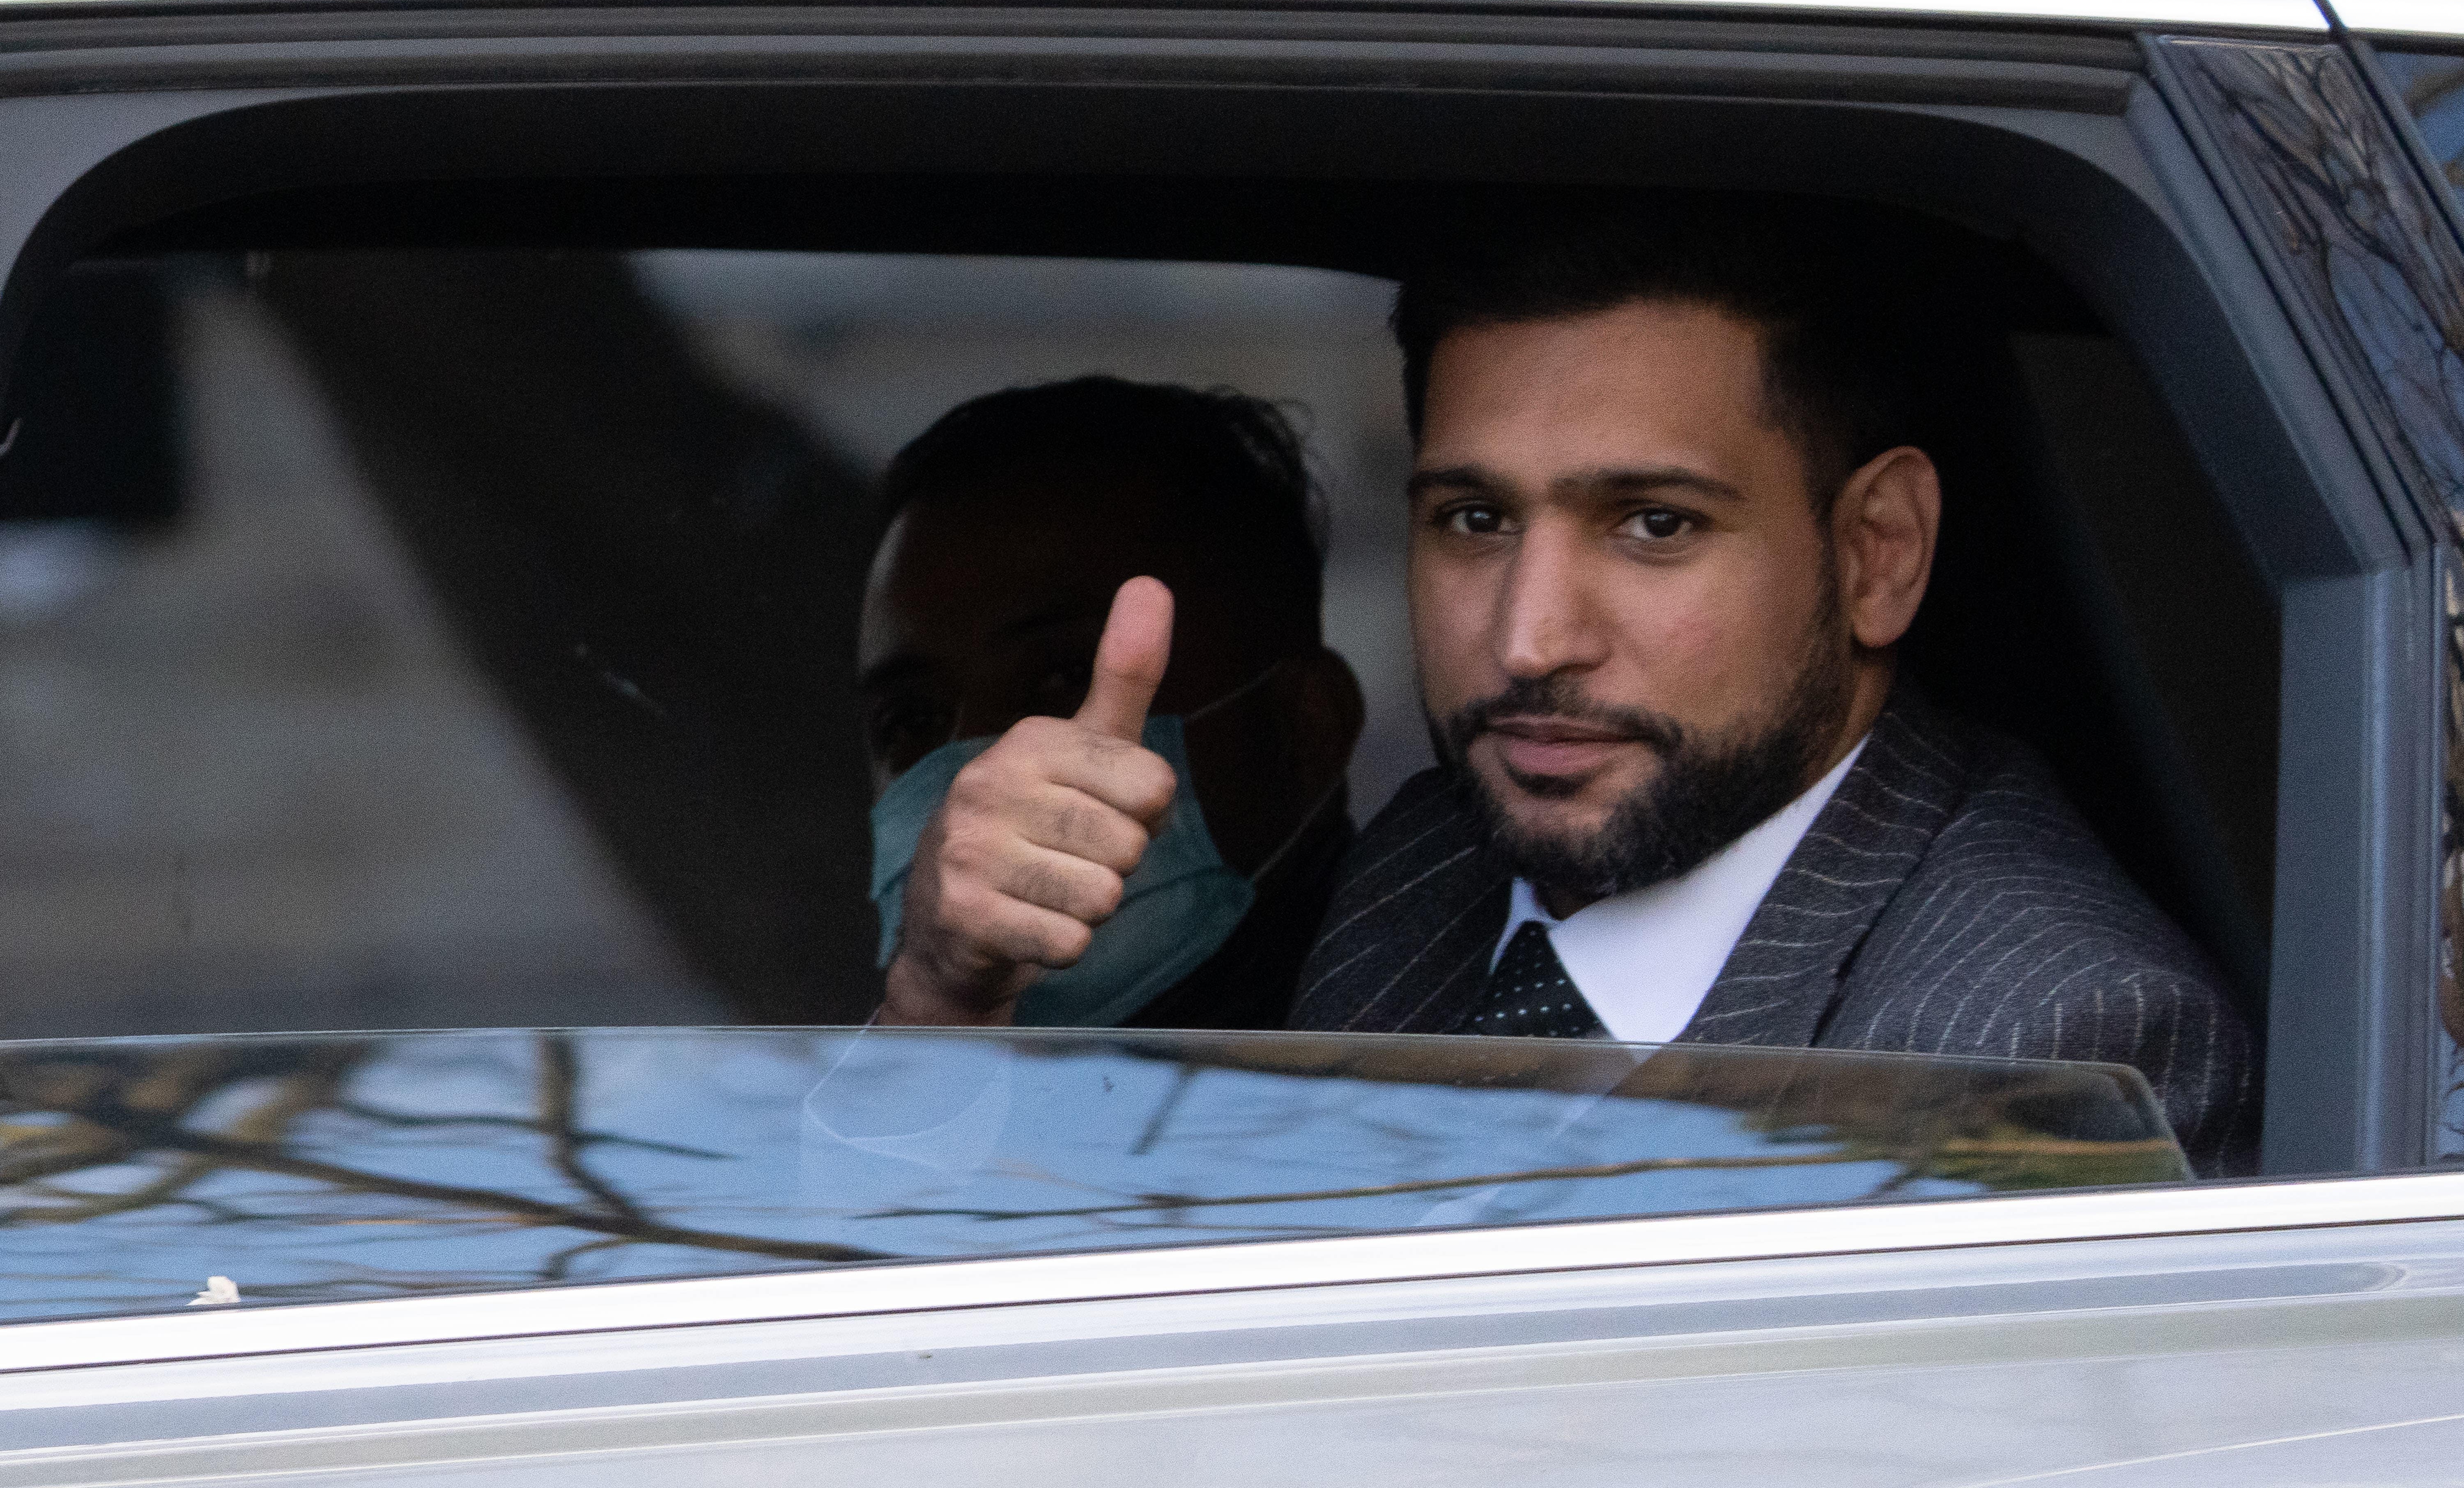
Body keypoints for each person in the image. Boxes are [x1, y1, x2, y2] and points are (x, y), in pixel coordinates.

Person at [883, 209, 2255, 1175]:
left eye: (1654, 526)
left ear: (1874, 553)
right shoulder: (1441, 866)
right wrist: (947, 1009)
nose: (1531, 640)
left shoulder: (2047, 1049)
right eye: (1475, 522)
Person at [864, 376, 1364, 1030]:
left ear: (1307, 726)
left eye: (1066, 677)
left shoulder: (1448, 1037)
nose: (981, 775)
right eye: (914, 720)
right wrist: (937, 1003)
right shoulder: (819, 1080)